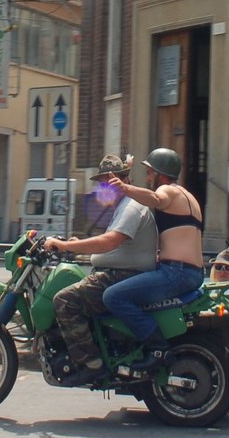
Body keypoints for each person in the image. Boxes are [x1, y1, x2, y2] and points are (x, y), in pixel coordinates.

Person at [42, 154, 158, 386]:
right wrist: (76, 244)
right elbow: (109, 242)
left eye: (108, 181)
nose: (104, 187)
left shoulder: (131, 206)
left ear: (121, 180)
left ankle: (91, 365)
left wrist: (67, 246)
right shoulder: (123, 206)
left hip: (122, 277)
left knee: (64, 301)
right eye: (102, 182)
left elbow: (109, 242)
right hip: (119, 273)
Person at [101, 147, 205, 373]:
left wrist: (125, 187)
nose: (148, 178)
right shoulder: (188, 197)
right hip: (188, 271)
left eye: (150, 173)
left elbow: (156, 199)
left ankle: (158, 348)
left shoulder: (169, 191)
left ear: (161, 173)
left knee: (113, 296)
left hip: (176, 272)